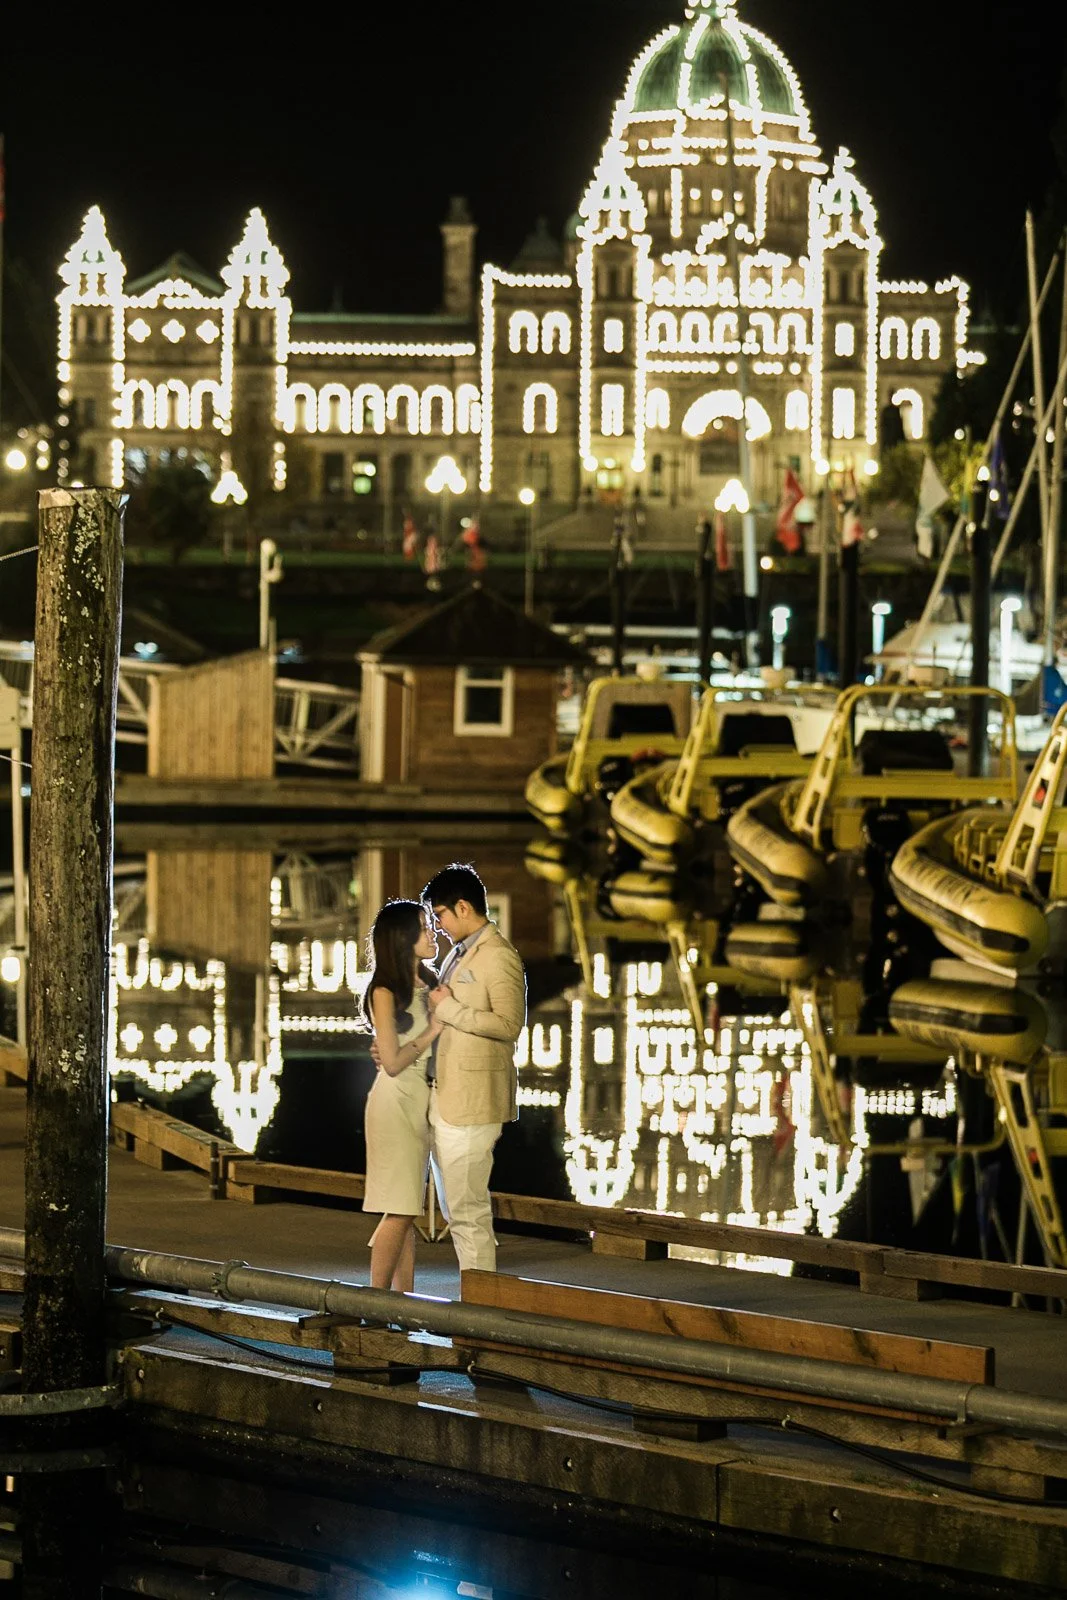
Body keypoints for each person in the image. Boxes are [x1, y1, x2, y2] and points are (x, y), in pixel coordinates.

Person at [422, 862, 526, 1274]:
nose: (439, 926)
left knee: (468, 1210)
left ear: (463, 907)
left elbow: (509, 1025)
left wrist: (449, 1008)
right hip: (446, 1093)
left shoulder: (499, 956)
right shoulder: (460, 953)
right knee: (455, 1207)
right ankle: (477, 1291)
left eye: (441, 915)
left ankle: (481, 1298)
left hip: (473, 1101)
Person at [361, 900, 443, 1292]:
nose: (433, 934)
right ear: (402, 938)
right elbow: (392, 1062)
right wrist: (433, 1031)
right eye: (424, 928)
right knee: (401, 1209)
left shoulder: (432, 983)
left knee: (406, 1207)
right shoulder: (384, 991)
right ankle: (375, 1302)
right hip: (395, 1103)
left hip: (421, 1100)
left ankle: (402, 1300)